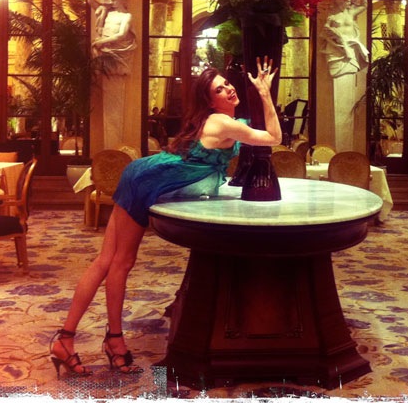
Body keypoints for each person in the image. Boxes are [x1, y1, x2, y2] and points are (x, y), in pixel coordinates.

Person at [49, 57, 281, 377]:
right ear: (209, 101)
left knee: (107, 261)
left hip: (142, 174)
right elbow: (273, 138)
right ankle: (110, 340)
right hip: (145, 180)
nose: (228, 89)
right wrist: (265, 93)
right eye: (219, 89)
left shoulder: (221, 121)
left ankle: (68, 339)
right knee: (120, 263)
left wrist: (259, 96)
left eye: (227, 84)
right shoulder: (222, 123)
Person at [87, 0, 137, 75]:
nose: (111, 2)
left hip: (120, 48)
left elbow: (121, 35)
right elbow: (91, 2)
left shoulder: (127, 16)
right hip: (106, 48)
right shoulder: (107, 11)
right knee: (105, 72)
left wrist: (102, 41)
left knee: (118, 72)